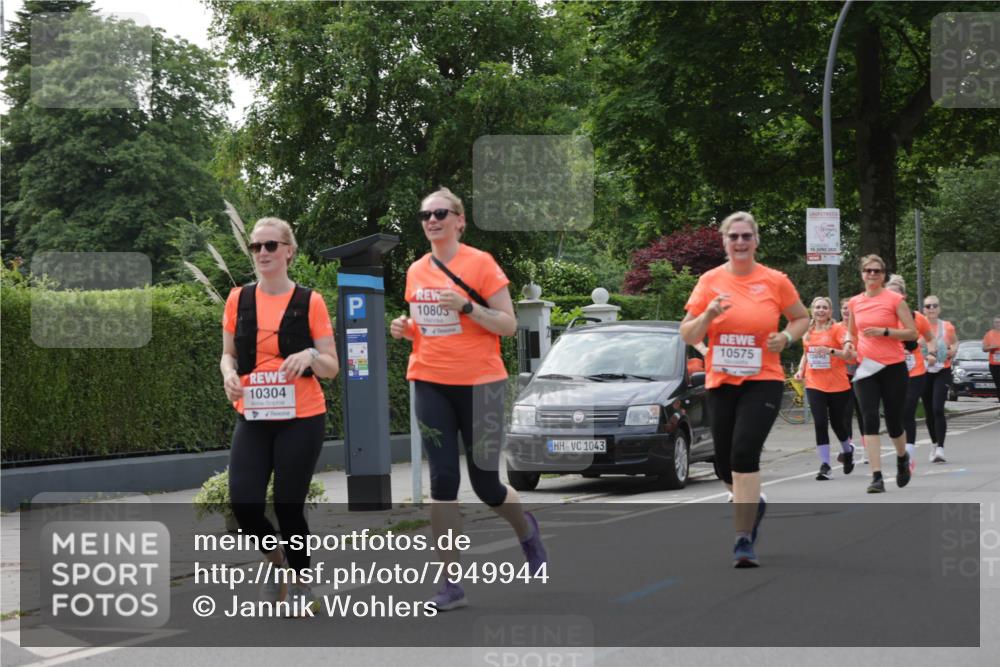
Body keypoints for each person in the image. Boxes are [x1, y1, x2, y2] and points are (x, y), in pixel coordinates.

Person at [390, 187, 546, 610]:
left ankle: (526, 533)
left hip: (482, 385)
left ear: (460, 219)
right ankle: (450, 584)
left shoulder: (481, 264)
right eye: (425, 215)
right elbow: (424, 326)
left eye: (440, 213)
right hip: (429, 381)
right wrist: (405, 329)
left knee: (486, 484)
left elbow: (509, 324)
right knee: (443, 482)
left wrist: (465, 306)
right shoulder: (415, 270)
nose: (432, 220)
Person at [220, 217, 339, 615]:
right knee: (246, 506)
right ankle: (276, 562)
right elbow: (228, 354)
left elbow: (331, 367)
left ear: (289, 251)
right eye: (256, 247)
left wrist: (309, 355)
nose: (263, 253)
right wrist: (228, 376)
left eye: (271, 245)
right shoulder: (238, 299)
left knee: (288, 505)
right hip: (253, 415)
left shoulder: (311, 302)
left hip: (301, 416)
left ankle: (304, 581)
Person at [680, 211, 809, 567]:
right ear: (724, 242)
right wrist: (707, 315)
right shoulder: (709, 281)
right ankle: (753, 503)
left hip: (763, 379)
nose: (740, 242)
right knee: (723, 464)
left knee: (743, 453)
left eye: (746, 236)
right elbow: (687, 334)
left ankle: (742, 540)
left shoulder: (775, 281)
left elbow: (801, 318)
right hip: (721, 381)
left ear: (755, 241)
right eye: (733, 237)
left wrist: (785, 336)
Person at [843, 255, 918, 493]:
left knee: (894, 421)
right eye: (868, 270)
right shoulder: (855, 302)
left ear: (883, 275)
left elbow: (912, 333)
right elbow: (852, 333)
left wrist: (885, 331)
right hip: (866, 368)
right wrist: (847, 343)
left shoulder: (895, 300)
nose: (872, 274)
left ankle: (901, 457)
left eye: (877, 271)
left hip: (893, 367)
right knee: (869, 418)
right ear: (862, 274)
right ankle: (876, 476)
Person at [793, 296, 856, 480]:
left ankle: (847, 450)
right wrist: (800, 370)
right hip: (814, 383)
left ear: (830, 311)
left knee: (838, 424)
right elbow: (806, 353)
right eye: (817, 307)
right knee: (820, 422)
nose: (820, 310)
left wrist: (830, 351)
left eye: (824, 308)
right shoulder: (808, 331)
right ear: (812, 310)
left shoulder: (837, 329)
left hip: (837, 384)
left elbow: (848, 354)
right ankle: (825, 464)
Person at [884, 275, 936, 472]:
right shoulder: (882, 319)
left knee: (907, 411)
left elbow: (930, 338)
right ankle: (902, 453)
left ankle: (909, 457)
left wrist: (931, 353)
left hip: (914, 371)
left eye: (896, 294)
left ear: (903, 297)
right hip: (890, 372)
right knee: (894, 416)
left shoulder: (916, 318)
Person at [921, 295, 958, 463]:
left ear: (939, 308)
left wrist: (952, 350)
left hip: (943, 370)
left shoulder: (947, 326)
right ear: (924, 310)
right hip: (924, 371)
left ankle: (941, 448)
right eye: (928, 306)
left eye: (934, 305)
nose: (931, 309)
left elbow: (956, 343)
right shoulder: (919, 327)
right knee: (929, 411)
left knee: (937, 408)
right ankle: (934, 444)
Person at [839, 299, 867, 466]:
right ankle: (849, 450)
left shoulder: (860, 328)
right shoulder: (836, 328)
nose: (847, 311)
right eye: (844, 308)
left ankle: (866, 450)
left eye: (850, 309)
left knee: (863, 413)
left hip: (861, 374)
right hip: (843, 376)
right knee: (845, 414)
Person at [983, 316, 1000, 406]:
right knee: (998, 385)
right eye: (996, 322)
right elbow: (984, 349)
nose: (998, 324)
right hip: (994, 364)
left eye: (999, 322)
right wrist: (992, 347)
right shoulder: (989, 334)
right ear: (993, 324)